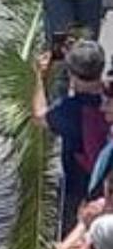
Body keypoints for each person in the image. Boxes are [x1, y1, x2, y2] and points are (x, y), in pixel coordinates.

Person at [34, 38, 111, 234]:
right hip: (108, 188)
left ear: (71, 74)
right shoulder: (109, 95)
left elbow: (39, 116)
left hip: (80, 190)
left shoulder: (69, 110)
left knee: (74, 241)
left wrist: (39, 76)